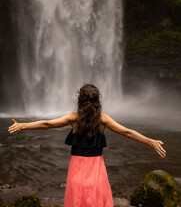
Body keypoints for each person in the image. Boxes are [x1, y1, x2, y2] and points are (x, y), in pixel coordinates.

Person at [8, 84, 166, 207]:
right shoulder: (103, 120)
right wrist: (150, 141)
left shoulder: (73, 119)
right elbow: (127, 132)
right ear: (97, 102)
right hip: (96, 174)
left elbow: (47, 124)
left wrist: (23, 125)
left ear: (80, 101)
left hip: (76, 174)